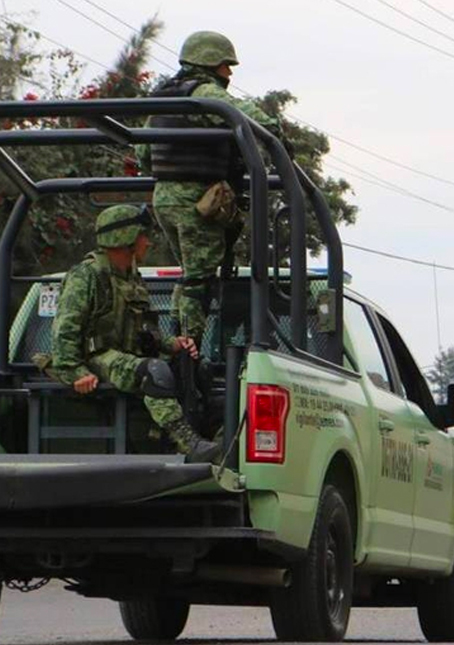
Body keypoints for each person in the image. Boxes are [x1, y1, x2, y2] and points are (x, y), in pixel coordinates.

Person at [135, 30, 283, 341]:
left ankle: (177, 342)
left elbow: (143, 155)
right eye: (225, 66)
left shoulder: (162, 98)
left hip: (164, 198)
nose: (229, 73)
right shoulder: (207, 94)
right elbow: (256, 122)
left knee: (190, 276)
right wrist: (274, 135)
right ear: (208, 63)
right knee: (198, 282)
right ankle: (188, 354)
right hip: (198, 201)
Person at [48, 204, 220, 462]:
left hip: (128, 358)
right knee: (155, 372)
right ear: (125, 237)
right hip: (97, 357)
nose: (148, 243)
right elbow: (64, 331)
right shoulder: (87, 275)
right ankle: (187, 443)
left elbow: (147, 332)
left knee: (196, 365)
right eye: (143, 235)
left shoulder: (132, 277)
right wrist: (75, 372)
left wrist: (175, 345)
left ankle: (213, 435)